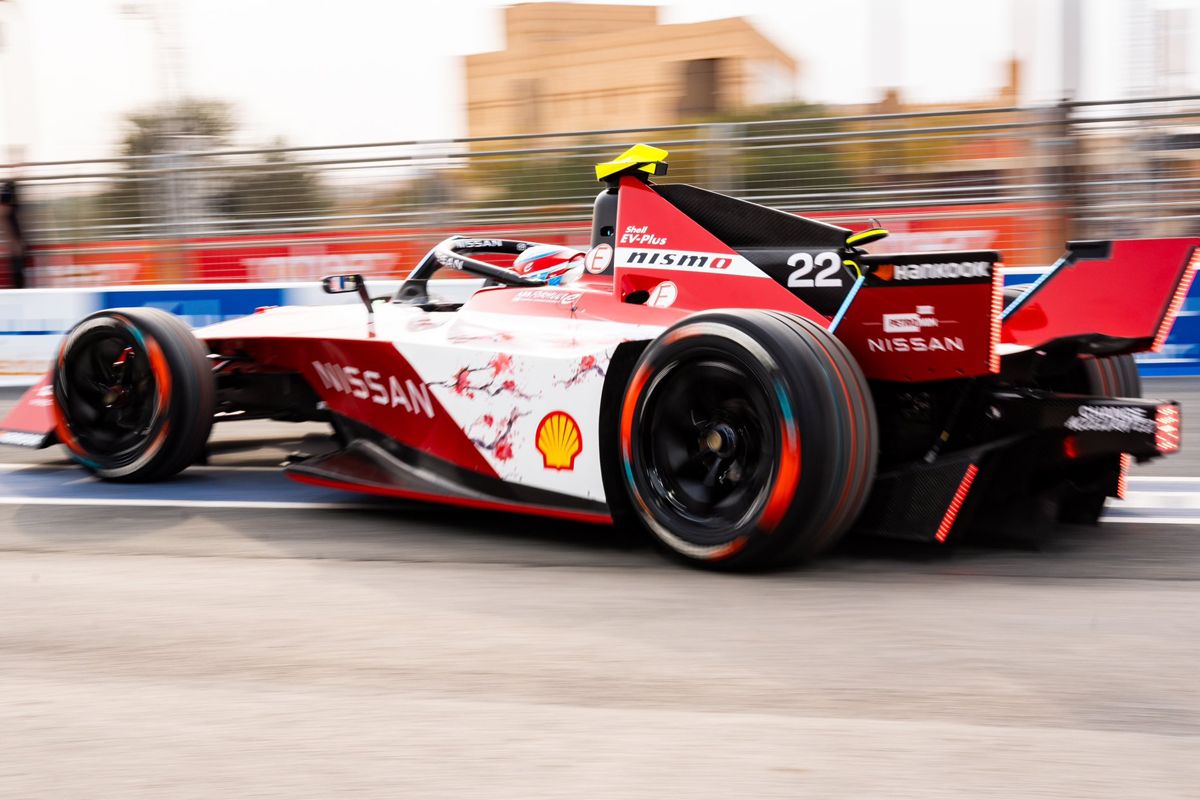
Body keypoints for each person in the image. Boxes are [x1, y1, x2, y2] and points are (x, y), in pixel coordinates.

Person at [1, 180, 28, 289]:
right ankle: (19, 289)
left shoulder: (9, 210)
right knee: (17, 270)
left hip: (17, 244)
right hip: (16, 245)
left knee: (18, 270)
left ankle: (19, 288)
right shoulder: (7, 211)